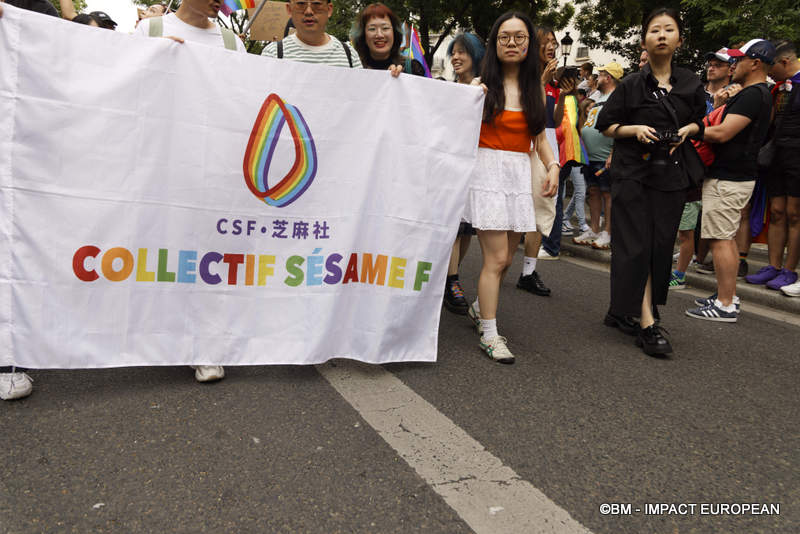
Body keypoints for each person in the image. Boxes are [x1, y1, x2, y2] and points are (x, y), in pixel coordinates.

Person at [134, 0, 247, 382]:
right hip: (162, 162)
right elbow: (128, 92)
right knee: (163, 247)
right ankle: (155, 335)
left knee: (208, 253)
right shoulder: (149, 31)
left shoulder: (233, 43)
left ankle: (204, 345)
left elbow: (245, 103)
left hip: (216, 165)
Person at [597, 7, 706, 356]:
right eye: (655, 30)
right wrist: (635, 130)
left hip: (670, 176)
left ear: (679, 40)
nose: (661, 35)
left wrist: (688, 130)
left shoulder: (690, 82)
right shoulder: (631, 84)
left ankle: (621, 308)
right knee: (635, 246)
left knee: (659, 247)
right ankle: (647, 322)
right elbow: (606, 125)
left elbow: (701, 122)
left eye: (669, 30)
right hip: (633, 174)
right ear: (644, 40)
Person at [464, 12, 559, 363]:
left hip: (519, 175)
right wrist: (470, 99)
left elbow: (540, 139)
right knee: (498, 257)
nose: (512, 44)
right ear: (494, 43)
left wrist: (553, 166)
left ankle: (478, 308)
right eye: (505, 37)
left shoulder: (535, 89)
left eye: (520, 38)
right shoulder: (480, 86)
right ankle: (490, 334)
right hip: (487, 173)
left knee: (504, 261)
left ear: (529, 44)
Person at [686, 39, 774, 321]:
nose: (734, 64)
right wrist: (718, 104)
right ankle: (728, 295)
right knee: (724, 239)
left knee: (720, 239)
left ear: (756, 63)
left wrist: (691, 129)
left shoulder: (753, 94)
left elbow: (722, 133)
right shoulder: (755, 93)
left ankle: (725, 304)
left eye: (740, 59)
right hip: (732, 176)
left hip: (730, 178)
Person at [746, 39, 800, 295]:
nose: (768, 71)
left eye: (772, 66)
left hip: (797, 157)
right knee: (776, 211)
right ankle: (773, 266)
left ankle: (790, 269)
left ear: (785, 62)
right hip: (776, 156)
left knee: (794, 213)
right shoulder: (776, 89)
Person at [442, 32, 485, 314]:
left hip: (479, 164)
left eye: (462, 52)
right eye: (453, 52)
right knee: (453, 229)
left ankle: (450, 277)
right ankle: (451, 280)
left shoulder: (485, 88)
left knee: (467, 227)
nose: (456, 57)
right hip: (449, 166)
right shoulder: (446, 88)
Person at [517, 26, 559, 297]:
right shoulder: (525, 74)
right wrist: (542, 82)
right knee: (520, 211)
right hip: (526, 146)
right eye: (547, 42)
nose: (552, 46)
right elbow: (530, 111)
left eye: (554, 42)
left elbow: (552, 116)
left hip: (547, 143)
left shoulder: (553, 76)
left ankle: (528, 272)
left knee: (543, 205)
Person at [575, 62, 623, 250]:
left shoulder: (616, 99)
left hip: (605, 157)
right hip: (591, 157)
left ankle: (607, 232)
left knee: (607, 194)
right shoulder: (601, 97)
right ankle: (594, 229)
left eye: (601, 74)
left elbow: (619, 127)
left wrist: (613, 153)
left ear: (609, 77)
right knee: (593, 191)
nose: (597, 77)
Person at [262, 0, 362, 69]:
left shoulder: (350, 55)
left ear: (329, 9)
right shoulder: (272, 54)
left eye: (317, 4)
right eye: (301, 4)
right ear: (289, 9)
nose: (308, 11)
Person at [352, 3, 425, 76]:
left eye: (385, 28)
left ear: (394, 32)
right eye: (372, 29)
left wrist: (402, 77)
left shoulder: (412, 69)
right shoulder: (353, 68)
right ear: (363, 35)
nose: (379, 35)